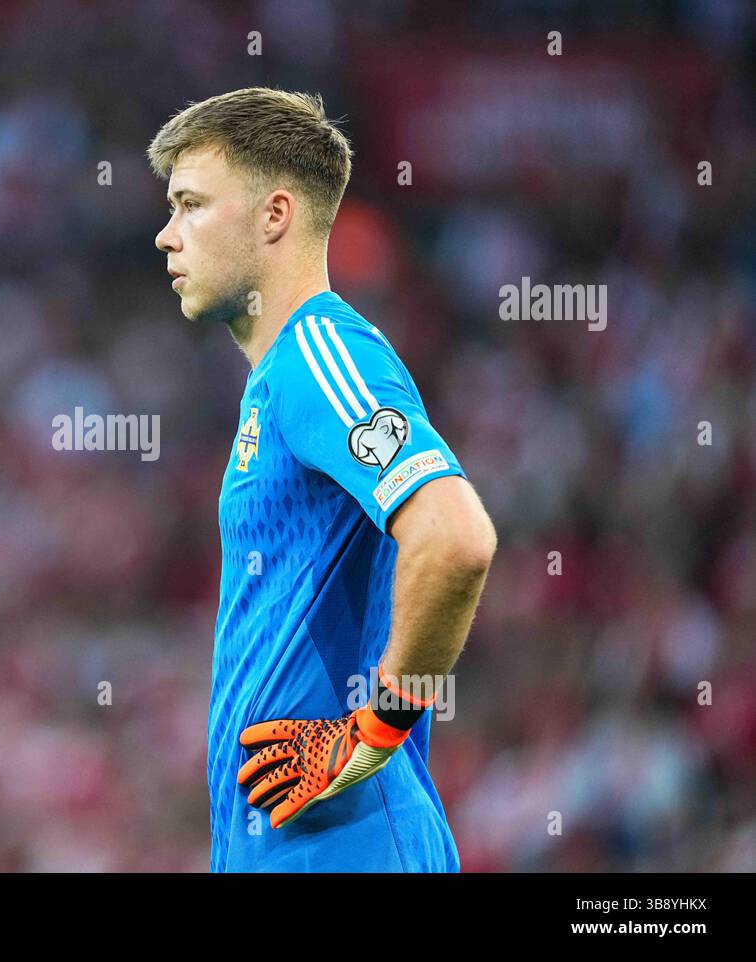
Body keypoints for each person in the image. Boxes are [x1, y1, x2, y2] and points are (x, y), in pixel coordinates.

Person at [148, 87, 497, 872]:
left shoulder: (320, 354)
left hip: (350, 845)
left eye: (191, 205)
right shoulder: (280, 379)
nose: (167, 236)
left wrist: (375, 732)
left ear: (275, 215)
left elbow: (454, 536)